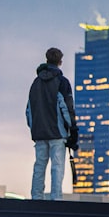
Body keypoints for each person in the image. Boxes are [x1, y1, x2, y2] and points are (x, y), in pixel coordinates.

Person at [26, 47, 77, 201]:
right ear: (60, 61)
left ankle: (36, 197)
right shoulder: (62, 82)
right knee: (57, 166)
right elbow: (67, 108)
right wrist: (73, 129)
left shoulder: (35, 83)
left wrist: (33, 128)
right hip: (58, 132)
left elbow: (29, 109)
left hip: (39, 132)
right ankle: (56, 198)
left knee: (39, 165)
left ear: (46, 59)